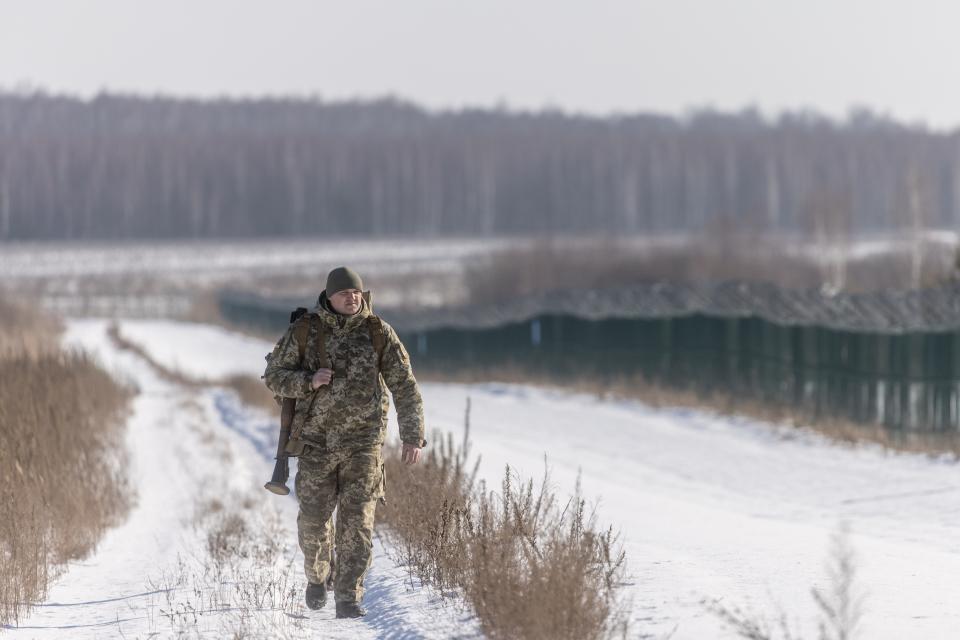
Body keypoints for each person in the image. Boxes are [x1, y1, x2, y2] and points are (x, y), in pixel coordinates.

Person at [263, 266, 425, 618]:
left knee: (358, 525)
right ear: (330, 297)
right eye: (344, 294)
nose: (352, 298)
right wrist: (309, 381)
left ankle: (349, 599)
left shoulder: (378, 332)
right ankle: (319, 577)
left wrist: (413, 435)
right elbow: (274, 377)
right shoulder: (306, 330)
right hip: (316, 445)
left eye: (356, 293)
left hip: (364, 446)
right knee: (313, 523)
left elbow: (405, 386)